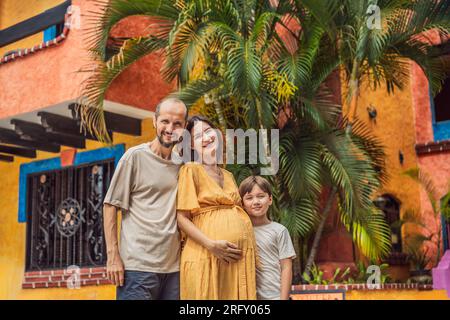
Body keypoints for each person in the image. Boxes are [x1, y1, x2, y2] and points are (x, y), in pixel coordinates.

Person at [103, 97, 188, 300]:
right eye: (165, 121)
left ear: (184, 127)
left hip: (173, 269)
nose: (170, 128)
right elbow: (110, 205)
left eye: (177, 123)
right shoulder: (134, 157)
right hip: (137, 268)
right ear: (154, 121)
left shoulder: (183, 165)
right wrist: (113, 255)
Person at [176, 115, 257, 299]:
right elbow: (182, 218)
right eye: (198, 136)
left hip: (234, 261)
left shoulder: (227, 175)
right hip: (206, 255)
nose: (206, 138)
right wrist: (211, 245)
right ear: (190, 145)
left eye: (208, 131)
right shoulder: (191, 169)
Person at [239, 175, 296, 300]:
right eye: (249, 198)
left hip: (275, 296)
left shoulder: (279, 231)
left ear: (270, 199)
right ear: (242, 204)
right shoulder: (239, 233)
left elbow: (286, 267)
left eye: (261, 196)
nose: (256, 202)